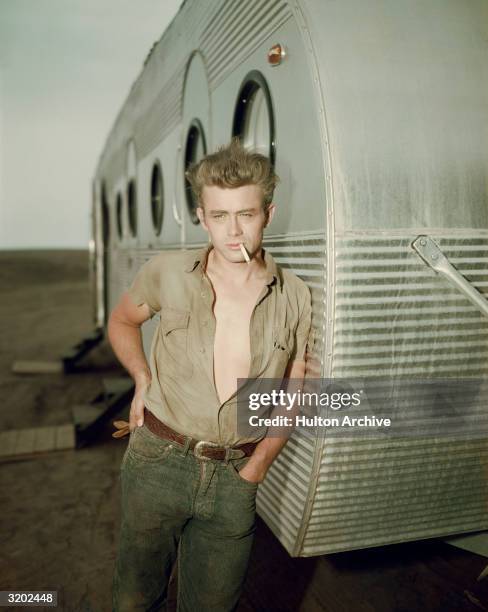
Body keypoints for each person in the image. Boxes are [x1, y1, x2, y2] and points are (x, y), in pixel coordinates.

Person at [109, 138, 313, 611]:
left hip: (234, 479)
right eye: (220, 216)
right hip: (157, 462)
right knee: (133, 600)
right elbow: (122, 321)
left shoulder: (295, 296)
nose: (234, 231)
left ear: (268, 212)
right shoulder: (168, 272)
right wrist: (141, 377)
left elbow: (296, 387)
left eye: (246, 214)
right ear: (202, 216)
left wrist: (259, 463)